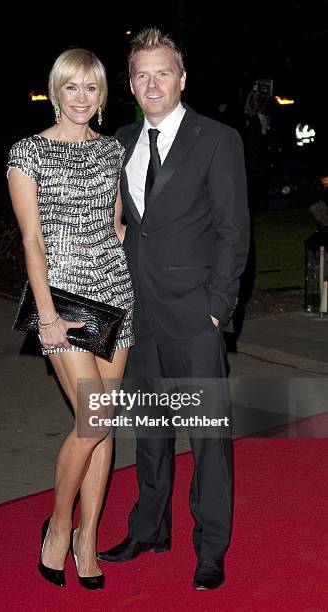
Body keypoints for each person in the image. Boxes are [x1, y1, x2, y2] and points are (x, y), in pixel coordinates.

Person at [97, 28, 250, 590]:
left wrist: (217, 308)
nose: (151, 83)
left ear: (181, 79)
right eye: (141, 74)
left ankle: (211, 547)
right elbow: (125, 226)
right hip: (138, 313)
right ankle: (149, 527)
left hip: (194, 314)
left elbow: (234, 231)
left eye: (162, 72)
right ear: (131, 84)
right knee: (150, 430)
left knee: (207, 436)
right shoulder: (120, 140)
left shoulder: (217, 139)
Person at [7, 48, 134, 591]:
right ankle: (58, 528)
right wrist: (46, 313)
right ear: (56, 90)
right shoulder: (26, 153)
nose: (82, 98)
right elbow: (32, 239)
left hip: (116, 295)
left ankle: (88, 536)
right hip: (62, 299)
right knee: (95, 421)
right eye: (73, 87)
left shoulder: (111, 152)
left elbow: (118, 224)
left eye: (93, 88)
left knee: (101, 430)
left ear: (102, 95)